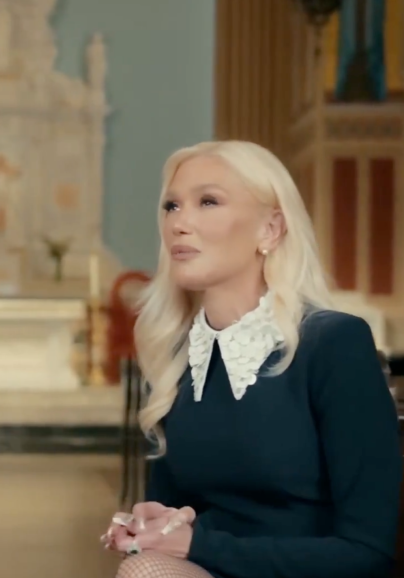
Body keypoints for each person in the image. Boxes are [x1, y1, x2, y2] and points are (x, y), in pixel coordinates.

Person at [102, 140, 402, 578]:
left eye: (208, 201)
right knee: (146, 570)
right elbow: (178, 520)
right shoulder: (176, 357)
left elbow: (368, 551)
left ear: (270, 229)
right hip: (210, 569)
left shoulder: (334, 343)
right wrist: (152, 528)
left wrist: (197, 545)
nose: (180, 223)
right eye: (171, 206)